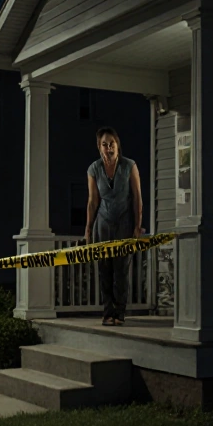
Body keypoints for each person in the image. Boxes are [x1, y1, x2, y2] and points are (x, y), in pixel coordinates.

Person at [85, 127, 144, 326]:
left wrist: (137, 226)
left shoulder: (129, 166)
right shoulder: (94, 169)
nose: (108, 148)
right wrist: (88, 229)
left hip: (124, 222)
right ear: (99, 147)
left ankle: (120, 313)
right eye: (104, 144)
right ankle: (107, 312)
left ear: (117, 145)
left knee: (121, 269)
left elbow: (137, 198)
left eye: (112, 144)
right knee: (104, 269)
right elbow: (93, 201)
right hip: (102, 223)